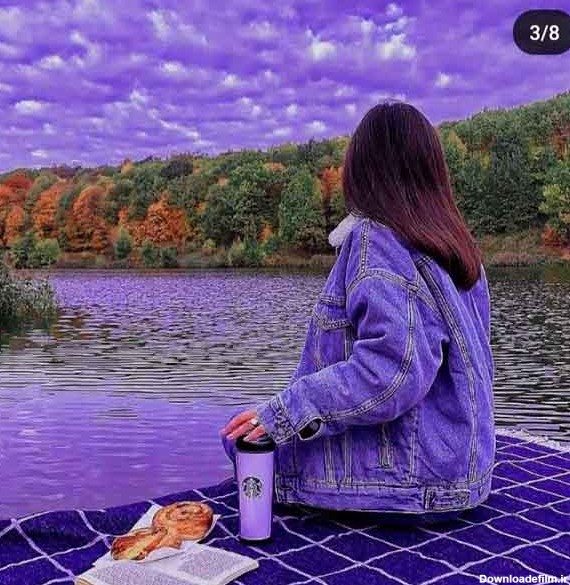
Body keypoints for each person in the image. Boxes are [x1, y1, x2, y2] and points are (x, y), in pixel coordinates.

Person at [220, 102, 495, 519]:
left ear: (362, 169)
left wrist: (286, 411)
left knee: (240, 441)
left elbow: (392, 372)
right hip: (462, 477)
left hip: (409, 482)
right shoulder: (457, 248)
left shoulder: (376, 239)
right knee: (258, 430)